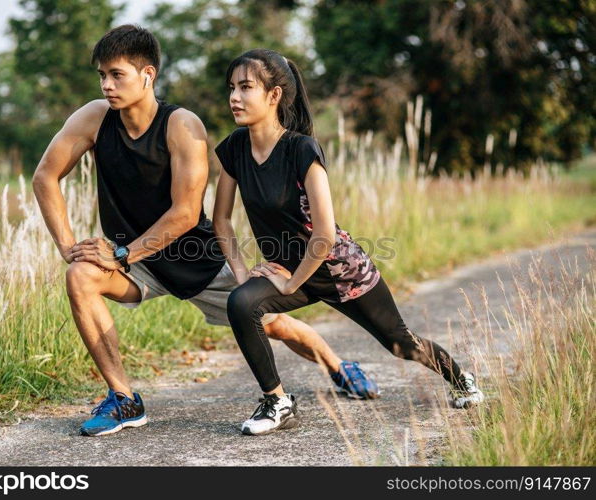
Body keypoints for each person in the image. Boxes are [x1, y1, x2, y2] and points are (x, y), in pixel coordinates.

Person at [32, 26, 378, 437]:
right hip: (132, 260)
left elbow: (184, 213)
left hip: (192, 256)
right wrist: (69, 247)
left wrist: (122, 255)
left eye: (116, 74)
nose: (106, 85)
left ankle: (338, 366)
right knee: (80, 277)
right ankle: (124, 399)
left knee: (271, 324)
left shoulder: (182, 126)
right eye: (101, 76)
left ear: (147, 74)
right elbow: (45, 177)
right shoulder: (93, 118)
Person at [213, 49, 485, 436]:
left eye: (245, 87)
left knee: (399, 343)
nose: (234, 98)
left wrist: (291, 284)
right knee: (241, 303)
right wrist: (242, 274)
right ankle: (277, 401)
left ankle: (461, 379)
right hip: (287, 269)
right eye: (231, 88)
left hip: (339, 268)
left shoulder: (301, 149)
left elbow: (323, 234)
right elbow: (221, 219)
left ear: (274, 96)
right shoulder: (235, 148)